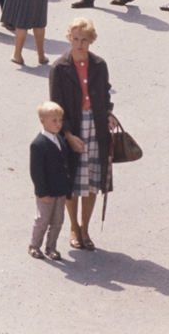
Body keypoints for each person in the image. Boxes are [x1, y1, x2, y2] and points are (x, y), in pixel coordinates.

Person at [49, 16, 115, 251]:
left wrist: (108, 113)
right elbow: (56, 106)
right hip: (72, 127)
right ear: (69, 38)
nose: (79, 44)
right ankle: (73, 228)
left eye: (84, 40)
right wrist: (67, 134)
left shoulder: (99, 65)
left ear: (91, 40)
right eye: (75, 39)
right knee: (73, 180)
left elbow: (105, 94)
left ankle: (85, 228)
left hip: (96, 126)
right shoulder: (59, 67)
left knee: (92, 181)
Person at [28, 101, 73, 262]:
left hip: (60, 190)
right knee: (43, 220)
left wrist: (67, 188)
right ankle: (34, 245)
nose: (58, 124)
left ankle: (51, 246)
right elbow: (37, 172)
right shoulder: (38, 144)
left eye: (60, 120)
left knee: (58, 220)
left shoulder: (59, 139)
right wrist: (42, 192)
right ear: (42, 120)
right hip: (47, 191)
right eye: (54, 120)